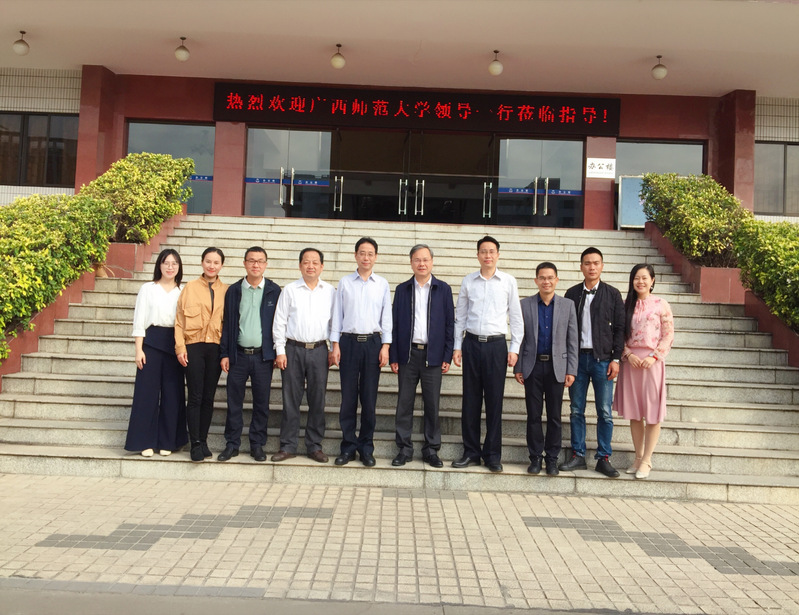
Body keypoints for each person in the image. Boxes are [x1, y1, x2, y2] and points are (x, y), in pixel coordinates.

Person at [451, 236, 523, 473]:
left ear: (498, 255)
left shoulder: (508, 281)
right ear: (478, 255)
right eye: (483, 251)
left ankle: (492, 455)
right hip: (471, 344)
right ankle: (471, 452)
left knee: (494, 401)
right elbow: (460, 316)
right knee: (470, 400)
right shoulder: (468, 281)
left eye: (492, 251)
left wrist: (514, 348)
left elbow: (516, 318)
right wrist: (457, 346)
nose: (488, 255)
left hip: (496, 346)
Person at [561, 247, 625, 478]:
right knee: (576, 409)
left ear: (602, 266)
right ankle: (578, 454)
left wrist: (616, 358)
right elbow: (564, 329)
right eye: (587, 263)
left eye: (596, 263)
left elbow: (620, 329)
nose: (592, 267)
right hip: (577, 360)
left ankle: (603, 457)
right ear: (581, 267)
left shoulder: (613, 294)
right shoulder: (572, 293)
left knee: (604, 411)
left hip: (603, 361)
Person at [389, 244, 454, 468]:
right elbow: (394, 324)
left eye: (425, 259)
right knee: (404, 403)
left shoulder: (443, 289)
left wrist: (447, 355)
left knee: (432, 404)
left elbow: (450, 325)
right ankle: (404, 449)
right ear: (411, 263)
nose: (422, 264)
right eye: (417, 259)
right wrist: (394, 356)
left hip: (433, 356)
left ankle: (431, 450)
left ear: (432, 262)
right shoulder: (402, 289)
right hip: (408, 355)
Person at [330, 237, 392, 467]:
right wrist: (335, 345)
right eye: (362, 253)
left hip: (373, 344)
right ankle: (347, 447)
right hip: (348, 343)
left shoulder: (382, 284)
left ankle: (366, 448)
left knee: (368, 398)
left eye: (370, 253)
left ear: (376, 257)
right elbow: (337, 315)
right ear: (355, 255)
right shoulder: (345, 282)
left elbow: (387, 318)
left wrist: (386, 346)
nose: (366, 257)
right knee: (348, 398)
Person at [272, 248, 336, 463]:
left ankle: (314, 446)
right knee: (291, 399)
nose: (311, 266)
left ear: (322, 266)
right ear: (300, 265)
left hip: (319, 350)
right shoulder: (290, 290)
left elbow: (334, 323)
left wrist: (333, 348)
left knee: (317, 399)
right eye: (306, 262)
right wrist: (280, 351)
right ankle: (288, 445)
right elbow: (279, 322)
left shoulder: (330, 291)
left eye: (315, 262)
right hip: (293, 350)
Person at [514, 262, 578, 476]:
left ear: (556, 280)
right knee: (533, 415)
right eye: (542, 277)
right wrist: (518, 367)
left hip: (556, 367)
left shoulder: (567, 305)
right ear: (536, 280)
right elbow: (520, 338)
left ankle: (552, 459)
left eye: (550, 277)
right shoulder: (525, 305)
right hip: (532, 366)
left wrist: (571, 369)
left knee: (554, 416)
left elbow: (572, 340)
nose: (546, 281)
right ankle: (535, 458)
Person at [217, 246, 280, 462]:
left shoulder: (274, 290)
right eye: (251, 260)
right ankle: (232, 444)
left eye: (260, 261)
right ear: (244, 263)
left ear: (266, 264)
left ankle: (257, 444)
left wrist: (276, 352)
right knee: (234, 402)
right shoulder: (234, 291)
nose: (256, 265)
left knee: (261, 402)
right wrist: (225, 353)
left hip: (263, 357)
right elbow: (227, 324)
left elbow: (279, 324)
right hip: (238, 355)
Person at [614, 264, 674, 479]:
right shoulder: (624, 305)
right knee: (635, 413)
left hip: (652, 363)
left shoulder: (661, 304)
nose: (640, 282)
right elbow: (618, 334)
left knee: (652, 413)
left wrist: (654, 356)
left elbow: (668, 334)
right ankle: (638, 457)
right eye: (636, 278)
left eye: (644, 278)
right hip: (631, 363)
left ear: (652, 280)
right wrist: (628, 354)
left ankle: (647, 459)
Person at [125, 249, 188, 457]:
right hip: (151, 344)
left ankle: (168, 441)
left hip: (175, 345)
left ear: (179, 267)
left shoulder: (183, 290)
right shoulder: (148, 289)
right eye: (166, 263)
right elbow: (139, 320)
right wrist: (138, 350)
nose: (170, 267)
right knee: (146, 394)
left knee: (173, 394)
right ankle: (145, 442)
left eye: (174, 263)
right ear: (159, 265)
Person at [175, 247, 227, 463]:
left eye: (216, 262)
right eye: (208, 261)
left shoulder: (227, 290)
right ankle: (194, 442)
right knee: (195, 396)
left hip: (215, 347)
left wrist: (226, 353)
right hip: (194, 346)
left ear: (221, 265)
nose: (211, 266)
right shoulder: (190, 287)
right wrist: (180, 348)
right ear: (202, 262)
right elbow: (179, 320)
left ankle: (203, 440)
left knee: (208, 397)